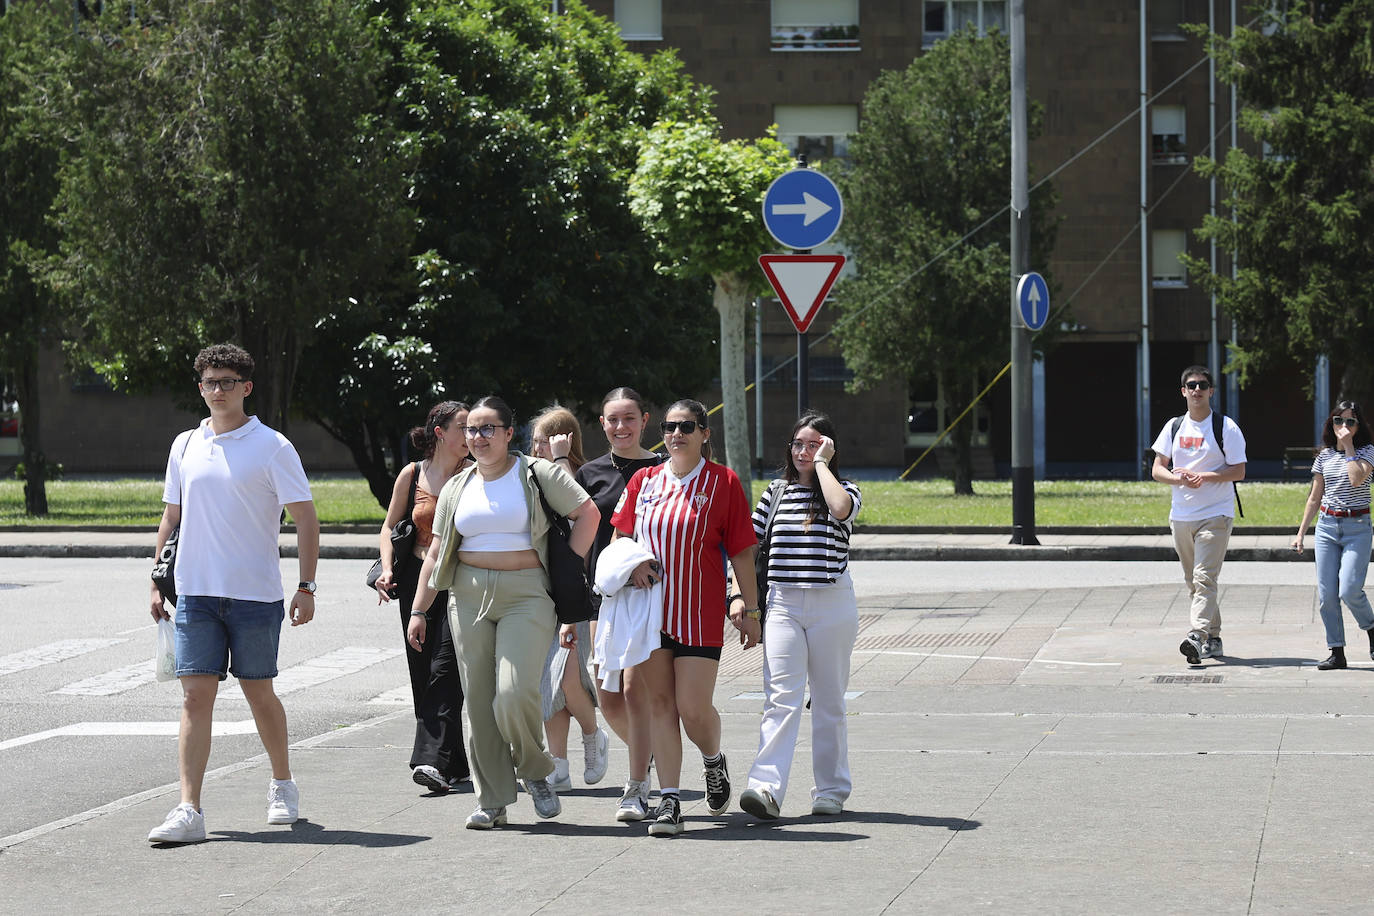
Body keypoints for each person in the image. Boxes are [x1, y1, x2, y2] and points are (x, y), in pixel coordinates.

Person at [147, 343, 319, 844]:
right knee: (195, 697)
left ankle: (282, 783)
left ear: (246, 387)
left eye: (226, 382)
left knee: (258, 692)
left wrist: (306, 586)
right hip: (196, 594)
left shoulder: (272, 446)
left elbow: (305, 517)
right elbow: (171, 516)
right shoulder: (184, 445)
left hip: (254, 595)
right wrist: (157, 580)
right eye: (209, 382)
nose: (217, 390)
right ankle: (189, 810)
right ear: (199, 388)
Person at [410, 396, 598, 829]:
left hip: (528, 594)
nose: (478, 437)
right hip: (467, 595)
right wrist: (420, 609)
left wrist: (566, 562)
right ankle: (492, 800)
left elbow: (587, 513)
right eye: (471, 430)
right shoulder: (458, 485)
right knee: (477, 702)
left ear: (509, 433)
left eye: (488, 428)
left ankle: (536, 771)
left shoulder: (536, 473)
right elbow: (436, 551)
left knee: (514, 693)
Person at [611, 398, 760, 836]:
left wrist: (749, 608)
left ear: (704, 434)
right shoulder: (644, 480)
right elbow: (621, 537)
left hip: (698, 612)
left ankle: (713, 760)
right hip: (649, 613)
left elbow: (742, 551)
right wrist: (632, 564)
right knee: (659, 705)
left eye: (687, 426)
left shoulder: (723, 482)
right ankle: (669, 800)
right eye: (670, 426)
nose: (677, 434)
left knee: (692, 708)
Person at [739, 413, 862, 820]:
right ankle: (765, 788)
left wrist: (823, 466)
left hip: (831, 603)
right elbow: (747, 549)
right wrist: (739, 596)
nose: (803, 451)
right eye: (798, 444)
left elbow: (841, 510)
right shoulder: (775, 492)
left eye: (814, 444)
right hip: (782, 605)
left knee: (829, 701)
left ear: (829, 447)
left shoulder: (844, 489)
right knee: (780, 699)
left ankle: (830, 790)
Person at [573, 386, 662, 821]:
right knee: (606, 696)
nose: (621, 427)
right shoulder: (589, 473)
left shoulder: (664, 468)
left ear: (645, 421)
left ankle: (638, 784)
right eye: (613, 419)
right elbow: (571, 535)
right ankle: (652, 756)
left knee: (634, 689)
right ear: (602, 424)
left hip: (649, 594)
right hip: (602, 595)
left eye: (629, 418)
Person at [374, 401, 471, 791]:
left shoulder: (475, 474)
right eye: (463, 427)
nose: (472, 435)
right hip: (415, 577)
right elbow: (388, 527)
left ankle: (430, 759)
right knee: (421, 671)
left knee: (444, 669)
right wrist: (386, 567)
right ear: (440, 432)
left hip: (461, 578)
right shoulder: (413, 474)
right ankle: (455, 763)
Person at [528, 406, 609, 793]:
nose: (536, 447)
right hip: (536, 592)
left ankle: (593, 735)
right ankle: (558, 763)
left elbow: (575, 518)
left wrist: (559, 458)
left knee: (567, 677)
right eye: (536, 441)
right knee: (548, 683)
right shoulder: (528, 475)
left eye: (545, 439)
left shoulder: (579, 474)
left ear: (564, 439)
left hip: (573, 592)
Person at [1150, 365, 1247, 665]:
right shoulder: (1174, 427)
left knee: (1205, 578)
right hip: (1181, 515)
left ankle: (1196, 634)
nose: (1197, 390)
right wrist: (1179, 480)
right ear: (1183, 391)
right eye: (1191, 385)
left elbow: (1239, 470)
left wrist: (1203, 476)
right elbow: (1157, 469)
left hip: (1216, 514)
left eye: (1203, 385)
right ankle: (1214, 638)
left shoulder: (1225, 427)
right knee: (1194, 581)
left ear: (1211, 391)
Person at [1290, 401, 1374, 670]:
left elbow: (1356, 480)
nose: (1344, 427)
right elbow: (1314, 498)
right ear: (1331, 423)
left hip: (1357, 527)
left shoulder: (1367, 452)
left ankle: (1371, 629)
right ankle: (1337, 651)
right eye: (1339, 421)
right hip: (1327, 527)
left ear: (1359, 426)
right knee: (1327, 595)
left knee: (1349, 589)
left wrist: (1348, 446)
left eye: (1350, 422)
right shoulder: (1324, 457)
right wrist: (1301, 533)